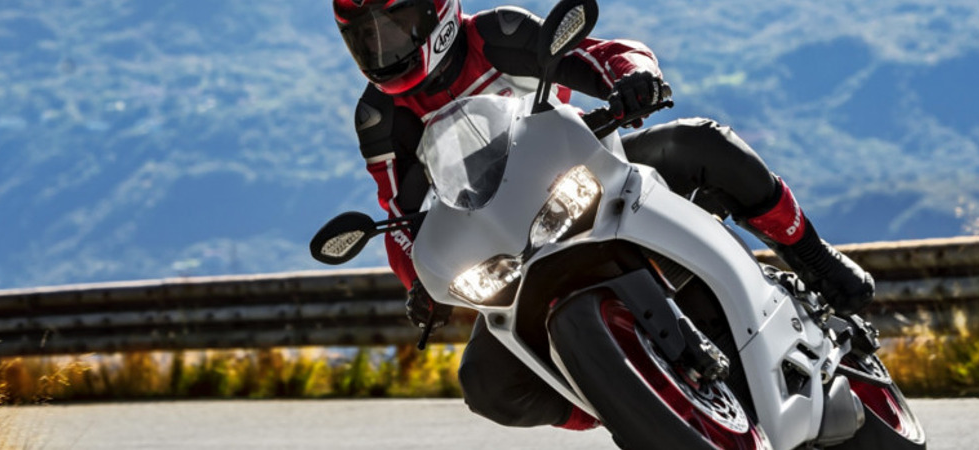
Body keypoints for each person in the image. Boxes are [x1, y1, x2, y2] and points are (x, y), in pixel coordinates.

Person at [333, 0, 874, 430]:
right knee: (486, 386)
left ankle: (815, 259)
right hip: (510, 245)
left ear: (434, 12)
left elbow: (601, 52)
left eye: (395, 25)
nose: (384, 46)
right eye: (367, 36)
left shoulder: (494, 33)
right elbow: (402, 221)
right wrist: (419, 284)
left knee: (702, 143)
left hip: (595, 173)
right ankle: (615, 402)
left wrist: (632, 77)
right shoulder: (379, 118)